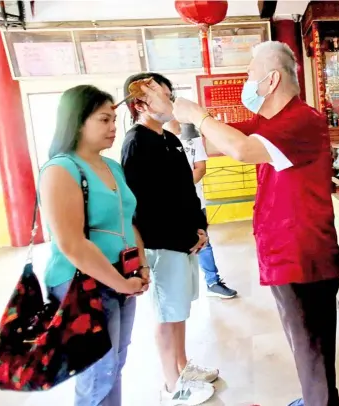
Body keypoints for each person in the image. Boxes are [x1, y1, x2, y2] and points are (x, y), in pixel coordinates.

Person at [138, 41, 339, 406]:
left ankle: (321, 402)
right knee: (304, 341)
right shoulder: (270, 122)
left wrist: (199, 115)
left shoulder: (303, 120)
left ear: (271, 80)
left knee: (312, 344)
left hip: (303, 253)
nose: (246, 81)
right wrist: (173, 113)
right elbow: (215, 142)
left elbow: (241, 150)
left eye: (250, 73)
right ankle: (317, 399)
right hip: (283, 250)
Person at [39, 85, 150, 406]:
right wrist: (121, 282)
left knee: (115, 364)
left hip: (123, 279)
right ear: (77, 122)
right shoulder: (61, 169)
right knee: (96, 373)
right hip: (82, 284)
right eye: (104, 120)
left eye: (114, 119)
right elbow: (72, 243)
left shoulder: (112, 166)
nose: (114, 127)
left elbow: (127, 221)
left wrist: (140, 266)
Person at [121, 73, 219, 405]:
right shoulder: (136, 143)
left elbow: (185, 191)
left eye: (169, 92)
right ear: (140, 103)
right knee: (166, 314)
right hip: (161, 245)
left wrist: (200, 227)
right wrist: (181, 234)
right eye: (163, 94)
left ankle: (183, 366)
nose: (170, 99)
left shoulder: (170, 138)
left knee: (179, 310)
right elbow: (141, 206)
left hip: (184, 241)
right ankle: (171, 385)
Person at [162, 120, 238, 299]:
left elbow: (200, 168)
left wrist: (182, 190)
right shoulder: (155, 136)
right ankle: (176, 288)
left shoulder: (190, 132)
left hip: (194, 201)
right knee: (173, 246)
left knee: (203, 242)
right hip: (168, 204)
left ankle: (212, 282)